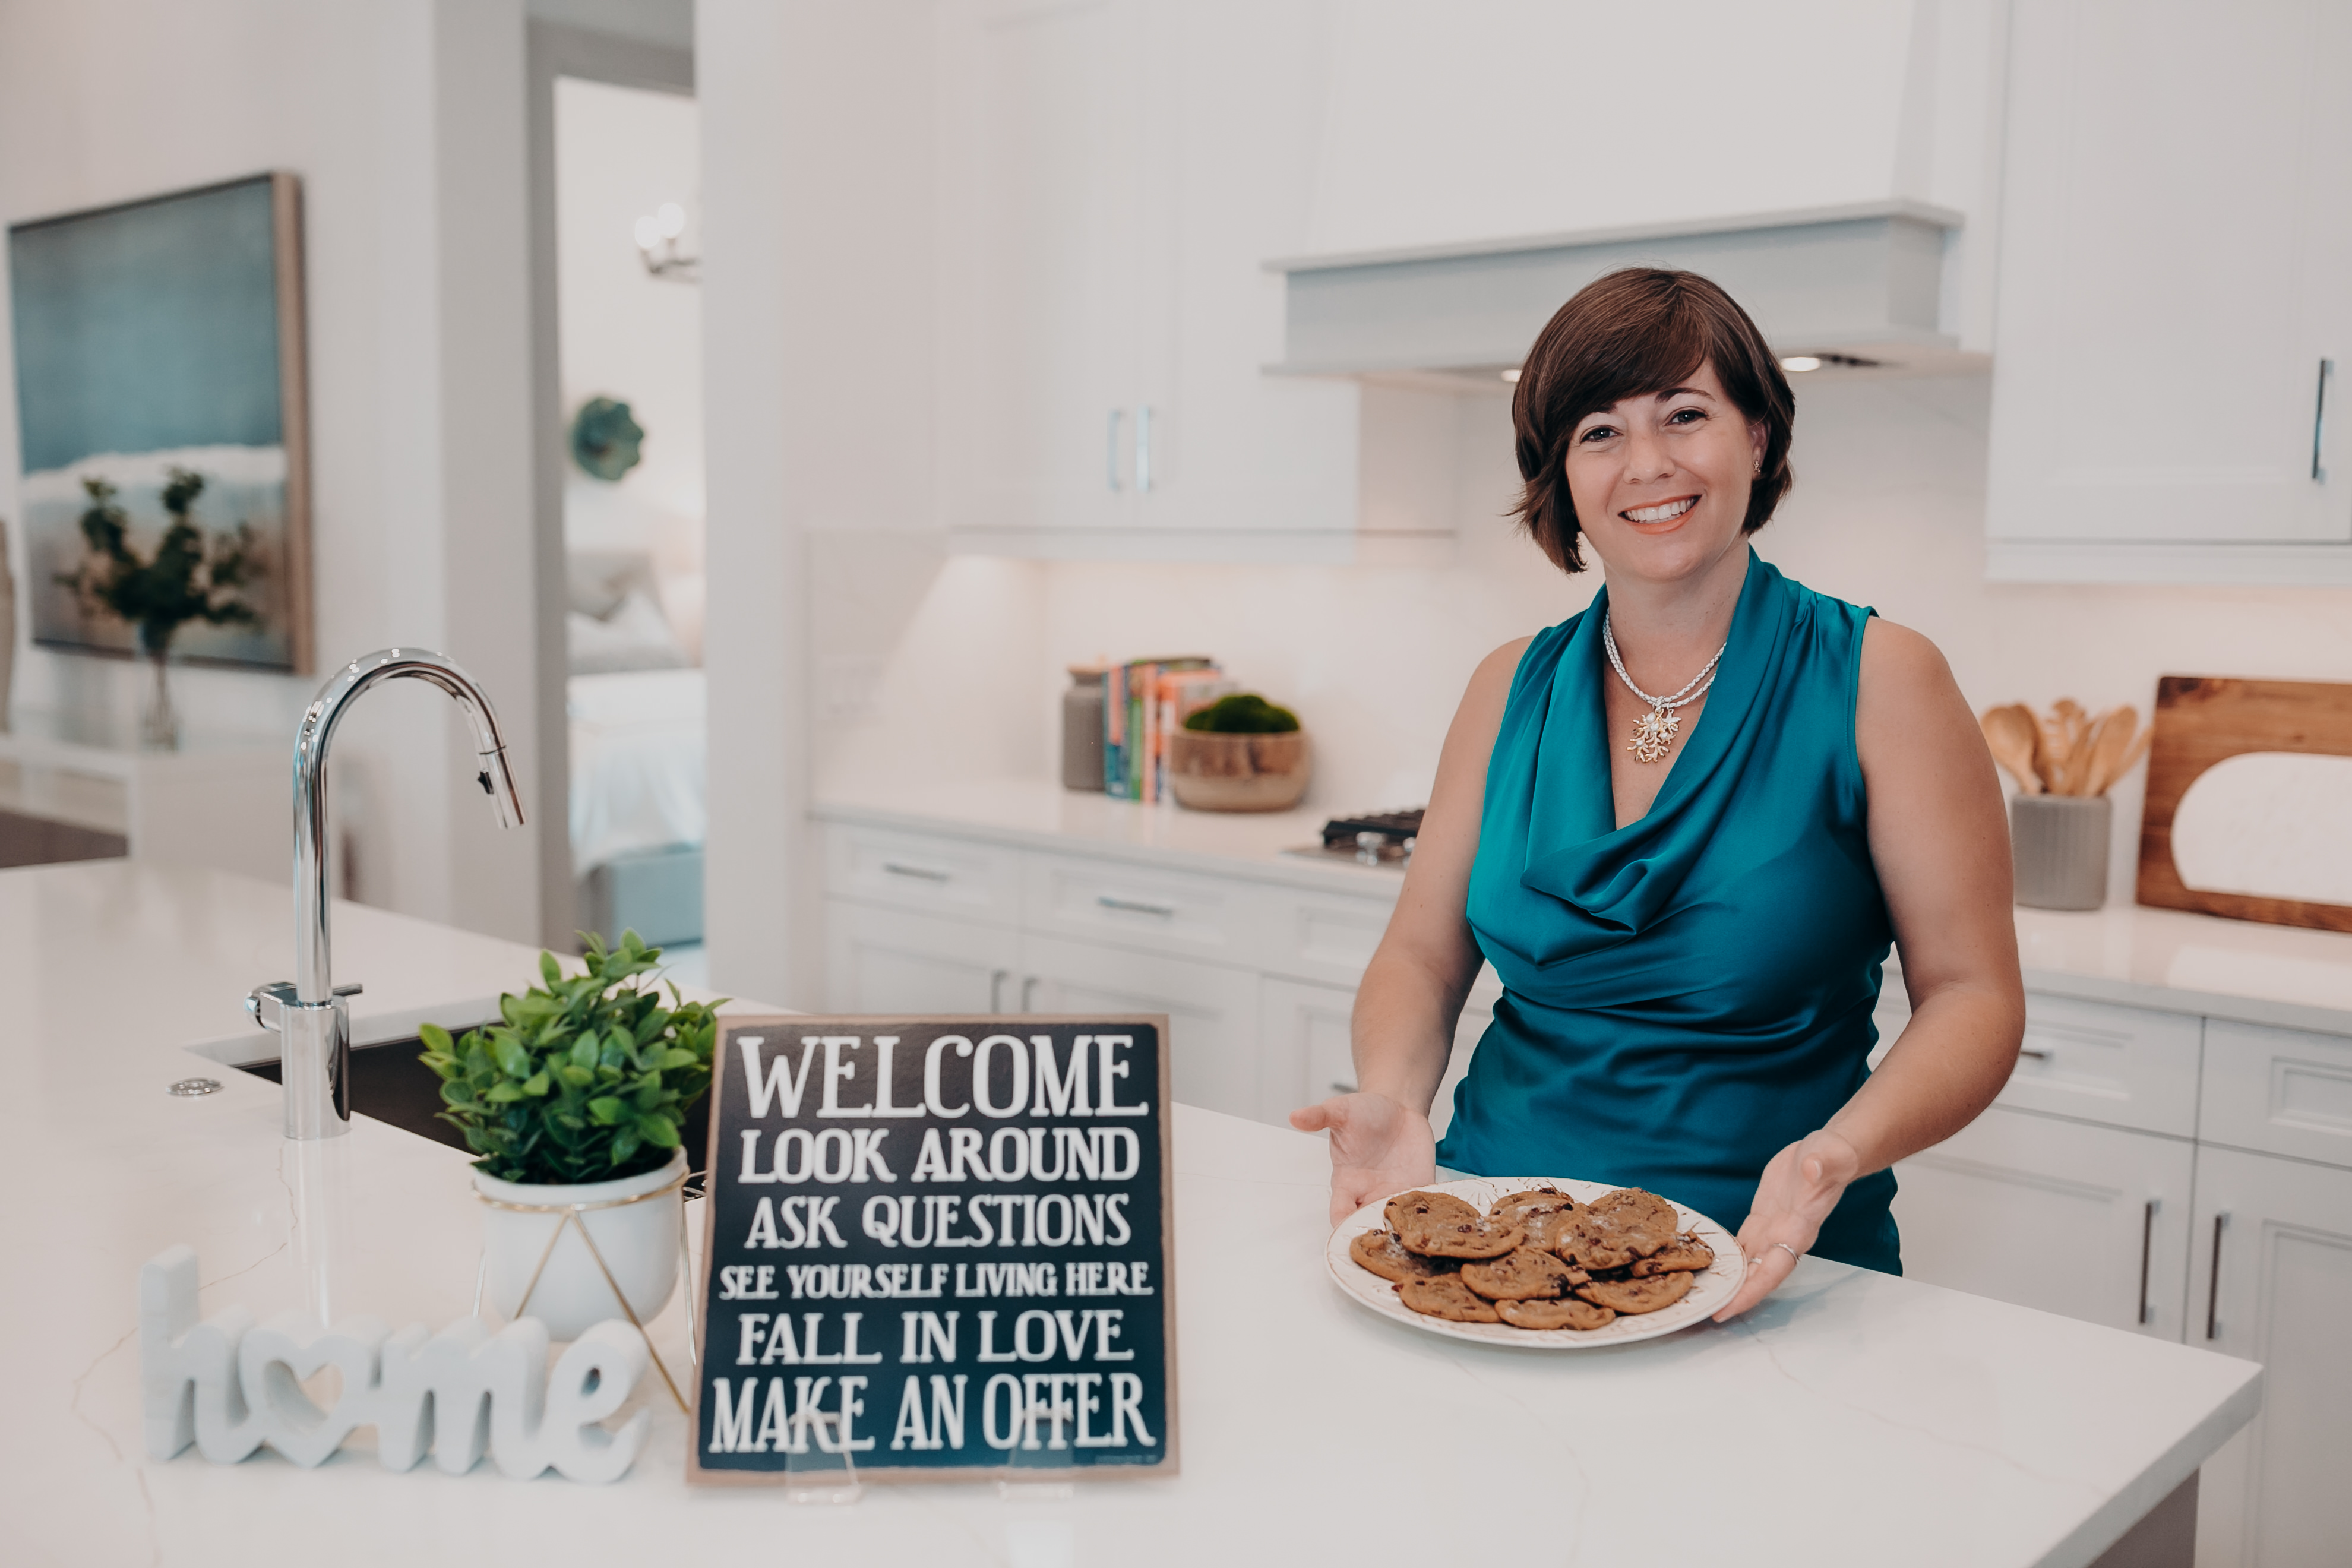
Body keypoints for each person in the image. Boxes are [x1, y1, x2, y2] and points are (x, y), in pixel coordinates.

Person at [1291, 268, 2024, 1321]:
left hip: (1775, 1259)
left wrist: (1835, 1157)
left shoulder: (1881, 680)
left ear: (1759, 436)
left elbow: (1974, 994)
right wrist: (1397, 1099)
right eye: (1599, 431)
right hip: (1495, 1253)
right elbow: (1420, 952)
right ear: (1563, 474)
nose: (1649, 464)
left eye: (1686, 415)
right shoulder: (1508, 685)